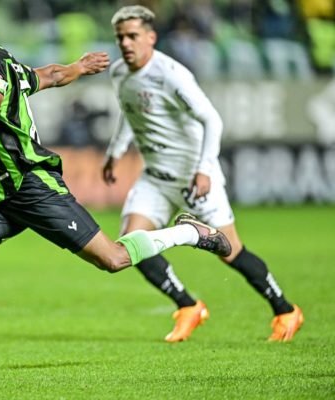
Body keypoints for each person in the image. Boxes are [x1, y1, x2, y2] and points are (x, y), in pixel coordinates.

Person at [0, 9, 231, 369]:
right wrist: (77, 67)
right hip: (4, 197)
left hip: (34, 188)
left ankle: (190, 232)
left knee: (113, 259)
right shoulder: (5, 66)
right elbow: (46, 75)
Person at [102, 5, 304, 343]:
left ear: (151, 38)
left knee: (230, 251)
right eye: (120, 36)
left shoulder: (171, 74)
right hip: (155, 177)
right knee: (131, 245)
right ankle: (188, 306)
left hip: (194, 177)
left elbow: (212, 119)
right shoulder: (120, 73)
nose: (125, 43)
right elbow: (130, 112)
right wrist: (115, 151)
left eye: (133, 35)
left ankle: (285, 309)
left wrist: (204, 168)